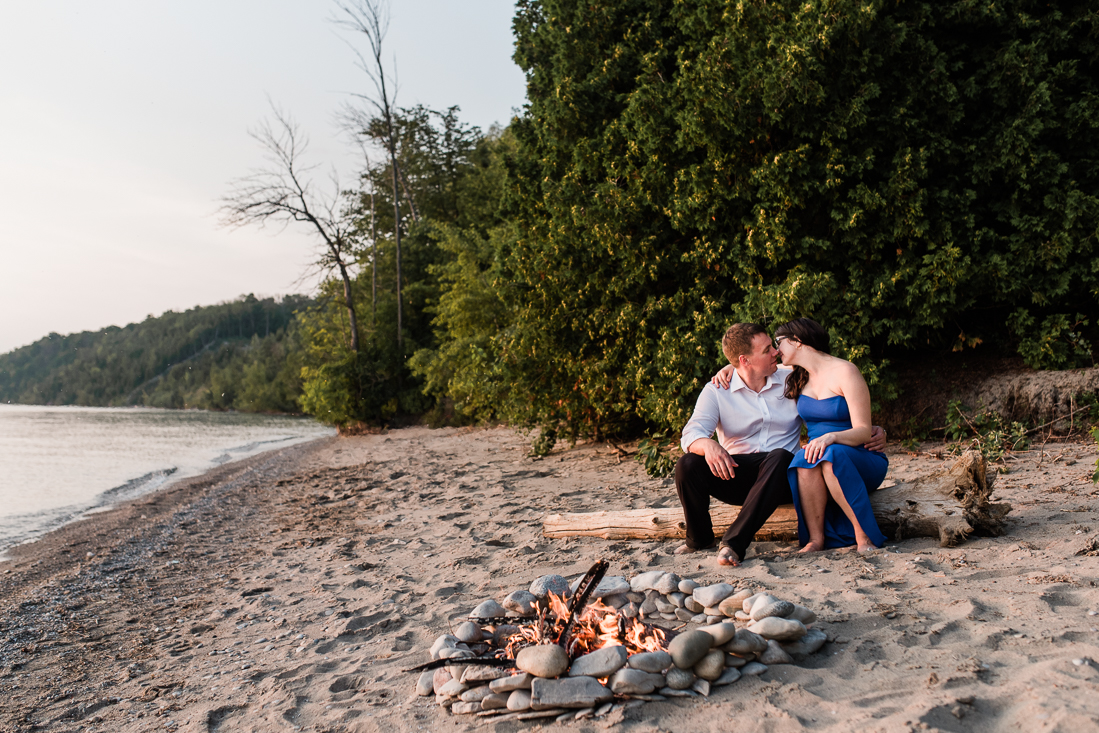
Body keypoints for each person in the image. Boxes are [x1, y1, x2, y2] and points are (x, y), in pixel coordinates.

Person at [674, 323, 886, 567]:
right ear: (744, 360)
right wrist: (707, 445)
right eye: (767, 350)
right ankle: (699, 539)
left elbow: (831, 393)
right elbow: (691, 433)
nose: (775, 351)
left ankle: (733, 544)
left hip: (782, 474)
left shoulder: (791, 377)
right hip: (735, 472)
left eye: (775, 346)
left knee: (780, 457)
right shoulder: (719, 389)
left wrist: (876, 431)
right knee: (687, 463)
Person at [775, 317, 888, 552]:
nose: (776, 350)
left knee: (830, 455)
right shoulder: (797, 374)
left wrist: (832, 437)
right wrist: (727, 369)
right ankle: (816, 540)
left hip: (859, 455)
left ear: (797, 341)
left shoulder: (845, 371)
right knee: (802, 458)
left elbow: (864, 431)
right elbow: (750, 365)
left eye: (779, 342)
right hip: (822, 453)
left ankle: (863, 536)